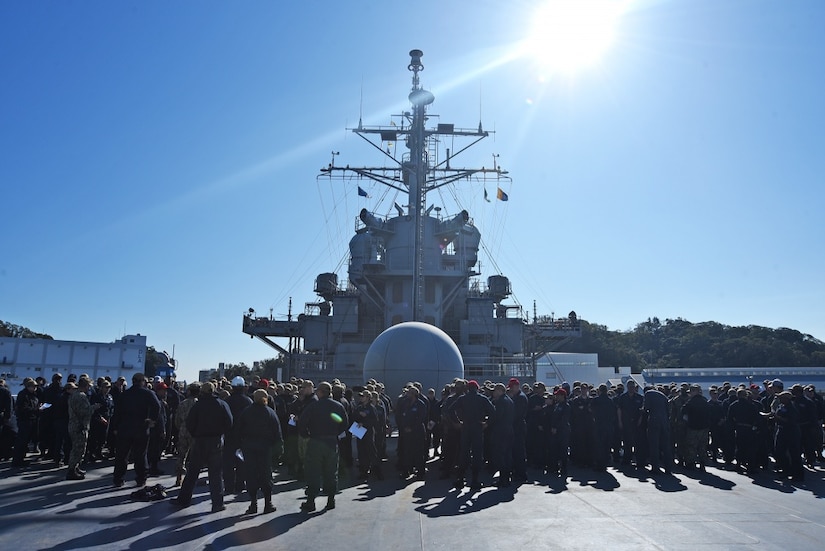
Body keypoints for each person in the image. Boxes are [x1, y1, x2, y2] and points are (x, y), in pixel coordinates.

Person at [172, 382, 234, 512]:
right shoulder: (222, 404)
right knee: (215, 474)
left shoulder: (198, 405)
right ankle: (217, 503)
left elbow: (190, 423)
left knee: (192, 472)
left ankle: (184, 499)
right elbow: (229, 422)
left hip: (200, 441)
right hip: (216, 441)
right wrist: (220, 432)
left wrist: (196, 434)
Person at [297, 381, 348, 512]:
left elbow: (302, 422)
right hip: (331, 442)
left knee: (313, 471)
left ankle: (311, 501)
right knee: (331, 471)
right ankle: (331, 499)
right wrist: (335, 433)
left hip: (316, 441)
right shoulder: (338, 406)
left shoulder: (314, 406)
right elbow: (344, 423)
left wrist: (306, 434)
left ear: (320, 392)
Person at [110, 373, 162, 488]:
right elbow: (157, 406)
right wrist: (152, 419)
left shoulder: (124, 394)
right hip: (141, 427)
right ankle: (141, 478)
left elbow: (117, 412)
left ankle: (118, 479)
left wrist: (115, 427)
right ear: (142, 381)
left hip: (124, 428)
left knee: (122, 455)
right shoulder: (148, 393)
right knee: (140, 455)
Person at [237, 388, 283, 514]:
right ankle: (268, 503)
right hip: (265, 447)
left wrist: (240, 445)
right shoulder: (270, 412)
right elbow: (277, 432)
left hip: (249, 447)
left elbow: (239, 429)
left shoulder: (246, 412)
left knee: (251, 475)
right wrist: (279, 448)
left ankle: (253, 504)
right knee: (266, 475)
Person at [451, 380, 495, 491]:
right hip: (477, 427)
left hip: (466, 427)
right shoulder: (482, 399)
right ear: (477, 388)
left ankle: (460, 479)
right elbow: (493, 411)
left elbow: (450, 409)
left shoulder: (462, 398)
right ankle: (475, 480)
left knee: (463, 453)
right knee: (477, 454)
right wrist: (487, 423)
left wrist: (457, 421)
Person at [223, 377, 253, 495]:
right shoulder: (249, 401)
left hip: (230, 436)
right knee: (242, 461)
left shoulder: (227, 401)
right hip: (244, 437)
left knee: (228, 463)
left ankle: (229, 486)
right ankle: (240, 484)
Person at [173, 382, 200, 486]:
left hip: (184, 430)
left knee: (181, 455)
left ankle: (178, 477)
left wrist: (180, 428)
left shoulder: (183, 403)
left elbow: (177, 418)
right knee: (194, 456)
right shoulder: (198, 404)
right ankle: (192, 478)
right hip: (195, 431)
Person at [490, 383, 514, 487]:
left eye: (495, 391)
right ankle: (506, 477)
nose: (493, 393)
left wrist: (488, 421)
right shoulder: (509, 400)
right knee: (507, 455)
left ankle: (503, 478)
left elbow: (497, 416)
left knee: (500, 455)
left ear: (499, 391)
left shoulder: (500, 401)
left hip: (501, 431)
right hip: (509, 429)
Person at [12, 378, 40, 468]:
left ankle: (21, 459)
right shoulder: (23, 395)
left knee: (25, 441)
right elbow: (23, 408)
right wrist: (36, 410)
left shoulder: (33, 395)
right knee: (21, 441)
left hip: (32, 419)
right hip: (25, 420)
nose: (35, 388)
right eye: (33, 386)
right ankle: (17, 460)